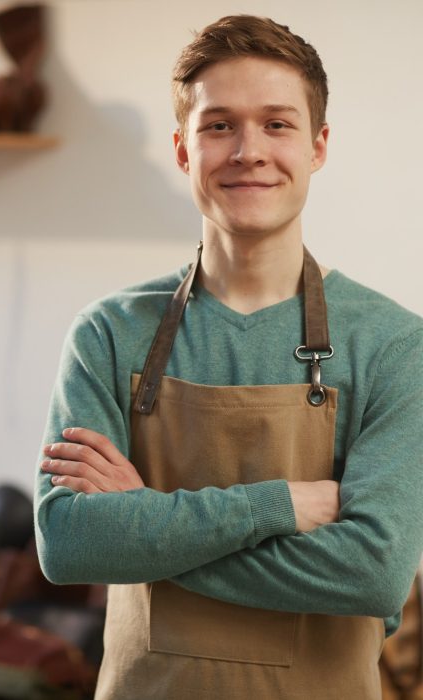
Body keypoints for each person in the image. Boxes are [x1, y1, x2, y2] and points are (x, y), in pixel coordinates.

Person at [34, 14, 423, 700]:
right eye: (219, 126)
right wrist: (279, 505)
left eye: (277, 124)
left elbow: (372, 574)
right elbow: (70, 546)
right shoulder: (108, 333)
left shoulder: (394, 345)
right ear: (184, 150)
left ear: (317, 147)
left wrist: (145, 527)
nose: (249, 150)